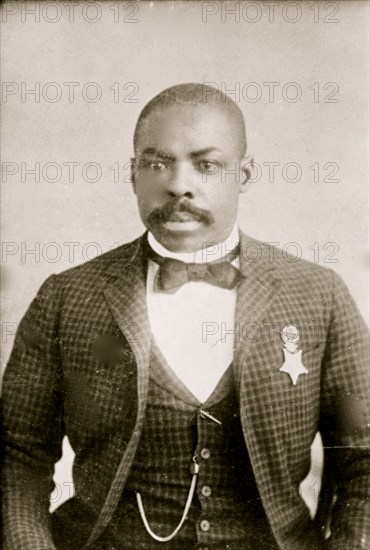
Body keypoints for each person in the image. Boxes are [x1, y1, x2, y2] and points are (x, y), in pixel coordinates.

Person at [1, 83, 369, 550]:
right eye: (156, 163)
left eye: (206, 164)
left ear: (245, 174)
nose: (178, 184)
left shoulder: (319, 294)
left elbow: (364, 459)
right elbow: (18, 456)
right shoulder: (66, 297)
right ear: (132, 174)